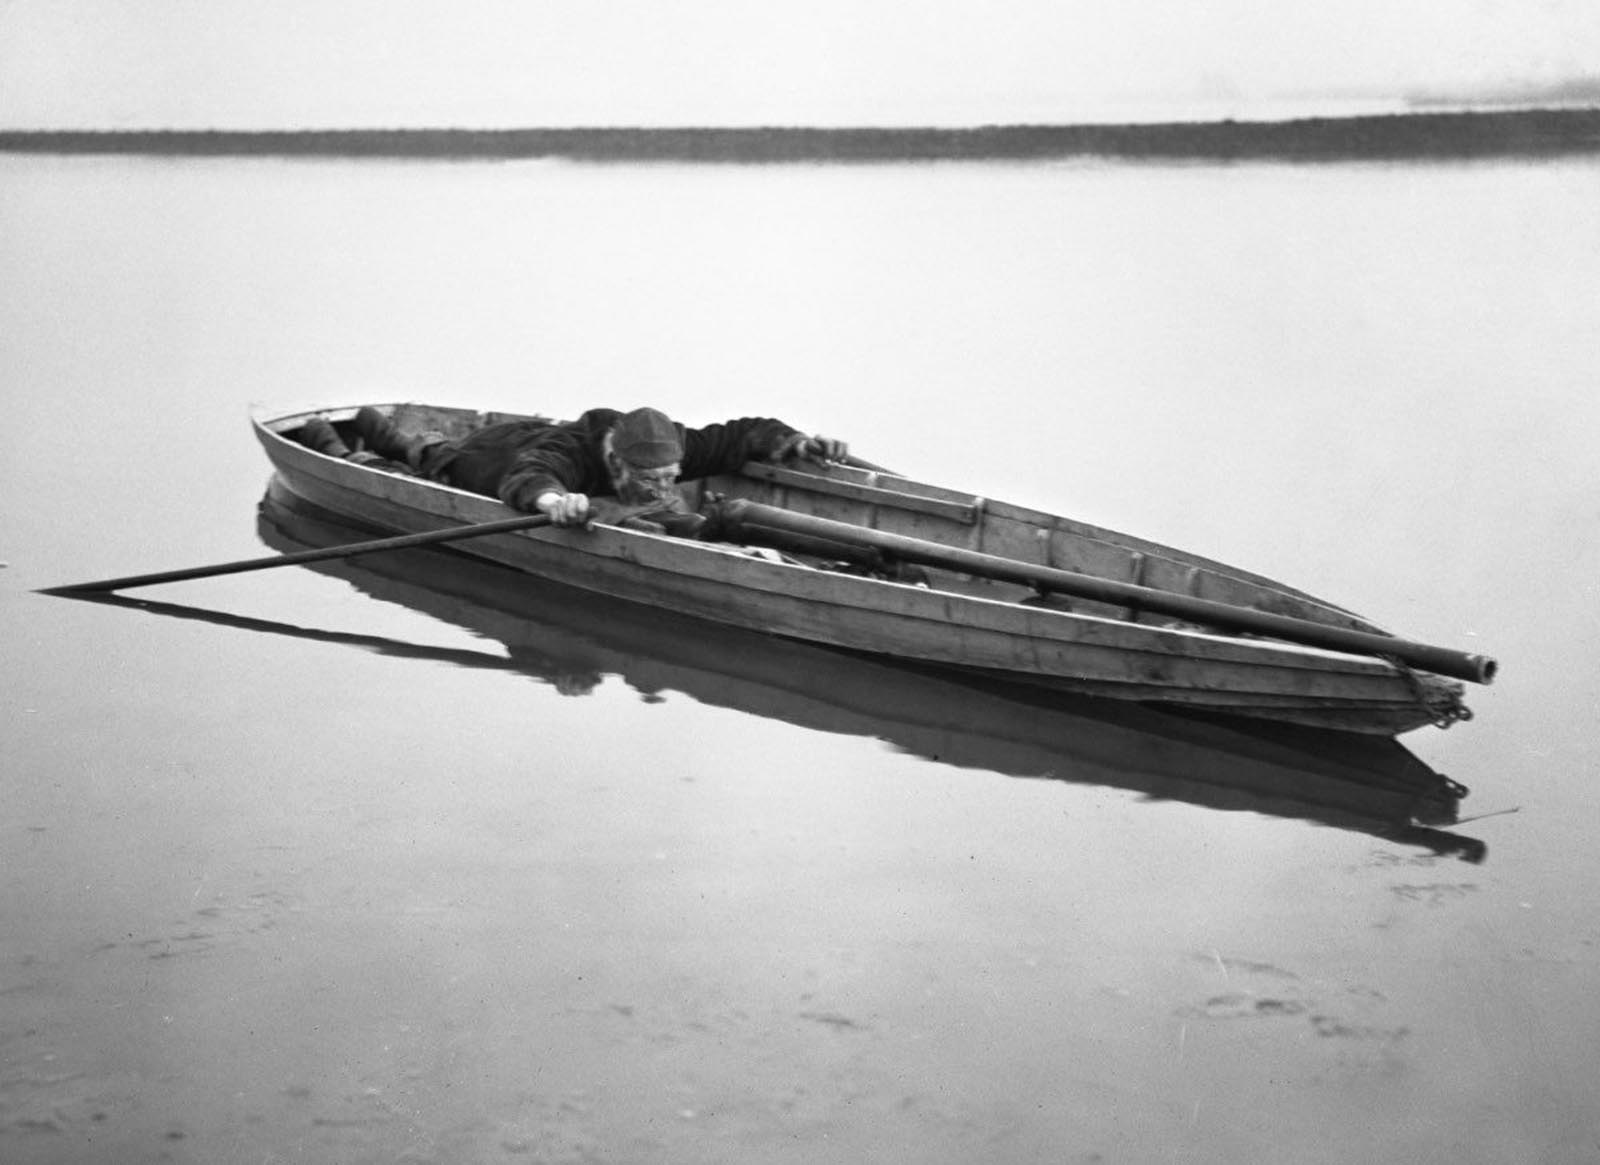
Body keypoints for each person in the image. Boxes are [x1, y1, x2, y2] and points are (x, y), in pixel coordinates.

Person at [329, 405, 848, 530]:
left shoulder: (668, 445)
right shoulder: (571, 455)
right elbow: (529, 476)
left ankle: (383, 431)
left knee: (420, 447)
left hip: (525, 436)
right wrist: (557, 502)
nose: (663, 489)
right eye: (649, 481)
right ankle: (338, 435)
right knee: (416, 457)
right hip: (484, 458)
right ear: (615, 461)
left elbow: (741, 436)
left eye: (671, 478)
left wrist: (797, 444)